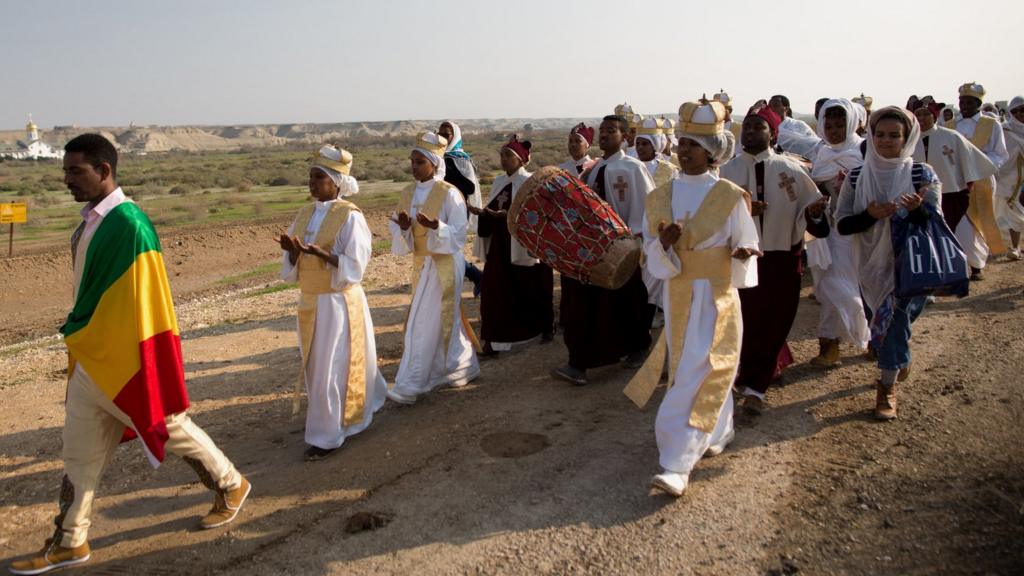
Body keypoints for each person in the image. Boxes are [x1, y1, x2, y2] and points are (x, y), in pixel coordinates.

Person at [10, 134, 251, 575]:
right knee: (78, 454)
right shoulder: (89, 222)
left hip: (121, 356)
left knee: (168, 425)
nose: (67, 180)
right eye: (64, 171)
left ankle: (231, 484)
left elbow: (147, 301)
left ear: (104, 171)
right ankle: (69, 541)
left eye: (75, 171)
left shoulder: (130, 224)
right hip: (89, 353)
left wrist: (138, 359)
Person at [636, 100, 761, 496]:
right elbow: (652, 258)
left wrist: (744, 253)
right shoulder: (660, 196)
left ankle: (677, 462)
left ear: (712, 151)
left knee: (700, 367)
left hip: (717, 297)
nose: (685, 149)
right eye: (683, 142)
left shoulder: (728, 194)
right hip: (678, 293)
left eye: (694, 144)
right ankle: (719, 428)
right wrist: (666, 246)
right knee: (692, 365)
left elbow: (747, 241)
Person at [278, 145, 388, 461]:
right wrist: (293, 252)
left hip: (338, 304)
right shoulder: (304, 213)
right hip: (311, 301)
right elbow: (292, 265)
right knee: (317, 365)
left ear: (336, 182)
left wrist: (320, 253)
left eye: (319, 177)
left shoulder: (350, 216)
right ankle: (332, 417)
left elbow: (356, 264)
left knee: (331, 366)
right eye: (311, 177)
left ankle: (328, 435)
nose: (312, 183)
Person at [835, 107, 942, 420]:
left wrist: (919, 210)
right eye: (880, 134)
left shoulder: (923, 174)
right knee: (886, 325)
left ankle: (887, 386)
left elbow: (937, 223)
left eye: (894, 135)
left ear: (906, 137)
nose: (885, 141)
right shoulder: (856, 177)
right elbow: (842, 224)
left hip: (912, 265)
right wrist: (870, 216)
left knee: (894, 323)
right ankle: (893, 367)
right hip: (870, 266)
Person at [721, 104, 829, 413]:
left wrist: (814, 213)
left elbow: (815, 219)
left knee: (774, 321)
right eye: (748, 126)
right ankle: (743, 374)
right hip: (740, 258)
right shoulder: (726, 173)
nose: (752, 131)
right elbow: (712, 218)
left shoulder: (793, 171)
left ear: (773, 133)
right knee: (743, 320)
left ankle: (758, 386)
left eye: (759, 126)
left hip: (782, 258)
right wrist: (741, 214)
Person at [550, 115, 654, 385]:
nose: (605, 135)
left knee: (628, 301)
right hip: (593, 249)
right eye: (603, 131)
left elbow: (645, 206)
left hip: (623, 247)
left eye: (612, 131)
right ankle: (580, 363)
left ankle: (638, 346)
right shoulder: (594, 169)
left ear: (624, 136)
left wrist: (634, 240)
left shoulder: (632, 168)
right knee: (588, 304)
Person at [387, 132, 480, 404]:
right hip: (421, 263)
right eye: (412, 161)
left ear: (434, 163)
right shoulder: (407, 193)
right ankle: (462, 365)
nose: (413, 167)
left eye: (419, 162)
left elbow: (460, 235)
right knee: (439, 321)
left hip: (443, 264)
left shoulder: (449, 193)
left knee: (424, 322)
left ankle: (412, 383)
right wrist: (404, 228)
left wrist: (435, 227)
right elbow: (396, 228)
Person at [471, 135, 554, 356]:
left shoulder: (530, 181)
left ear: (521, 159)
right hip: (500, 246)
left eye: (509, 155)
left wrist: (509, 216)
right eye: (502, 155)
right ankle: (493, 340)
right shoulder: (499, 182)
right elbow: (493, 208)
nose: (504, 159)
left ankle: (543, 328)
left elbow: (538, 213)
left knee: (532, 288)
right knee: (494, 291)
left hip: (523, 244)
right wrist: (484, 215)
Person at [807, 99, 872, 367]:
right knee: (825, 284)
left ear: (853, 123)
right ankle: (829, 347)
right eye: (828, 125)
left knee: (852, 284)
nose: (833, 130)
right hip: (826, 232)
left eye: (840, 124)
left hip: (857, 231)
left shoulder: (865, 152)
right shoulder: (821, 154)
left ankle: (872, 334)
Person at [947, 82, 1009, 280]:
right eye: (961, 101)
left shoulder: (991, 125)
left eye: (969, 101)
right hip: (955, 181)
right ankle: (963, 264)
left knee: (977, 222)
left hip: (981, 180)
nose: (964, 105)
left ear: (978, 103)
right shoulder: (949, 127)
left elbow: (1000, 154)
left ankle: (977, 264)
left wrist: (979, 164)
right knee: (958, 221)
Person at [909, 96, 996, 238]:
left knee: (947, 232)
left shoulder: (951, 137)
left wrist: (966, 186)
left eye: (926, 114)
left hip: (949, 194)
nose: (921, 118)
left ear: (934, 116)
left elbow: (971, 162)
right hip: (917, 196)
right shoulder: (907, 139)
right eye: (917, 114)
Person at [438, 121, 485, 296]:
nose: (442, 137)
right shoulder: (438, 157)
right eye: (439, 133)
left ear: (454, 136)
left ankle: (475, 275)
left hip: (456, 208)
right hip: (439, 207)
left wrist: (447, 181)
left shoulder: (458, 158)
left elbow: (470, 187)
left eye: (446, 134)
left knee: (450, 249)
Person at [995, 96, 1024, 259]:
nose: (1019, 114)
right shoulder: (1005, 130)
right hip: (1010, 179)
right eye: (1015, 111)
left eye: (1023, 110)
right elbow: (1000, 154)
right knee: (1012, 213)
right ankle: (1014, 247)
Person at [636, 116, 679, 188]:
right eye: (637, 144)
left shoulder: (670, 170)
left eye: (644, 144)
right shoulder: (631, 167)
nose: (640, 147)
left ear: (654, 146)